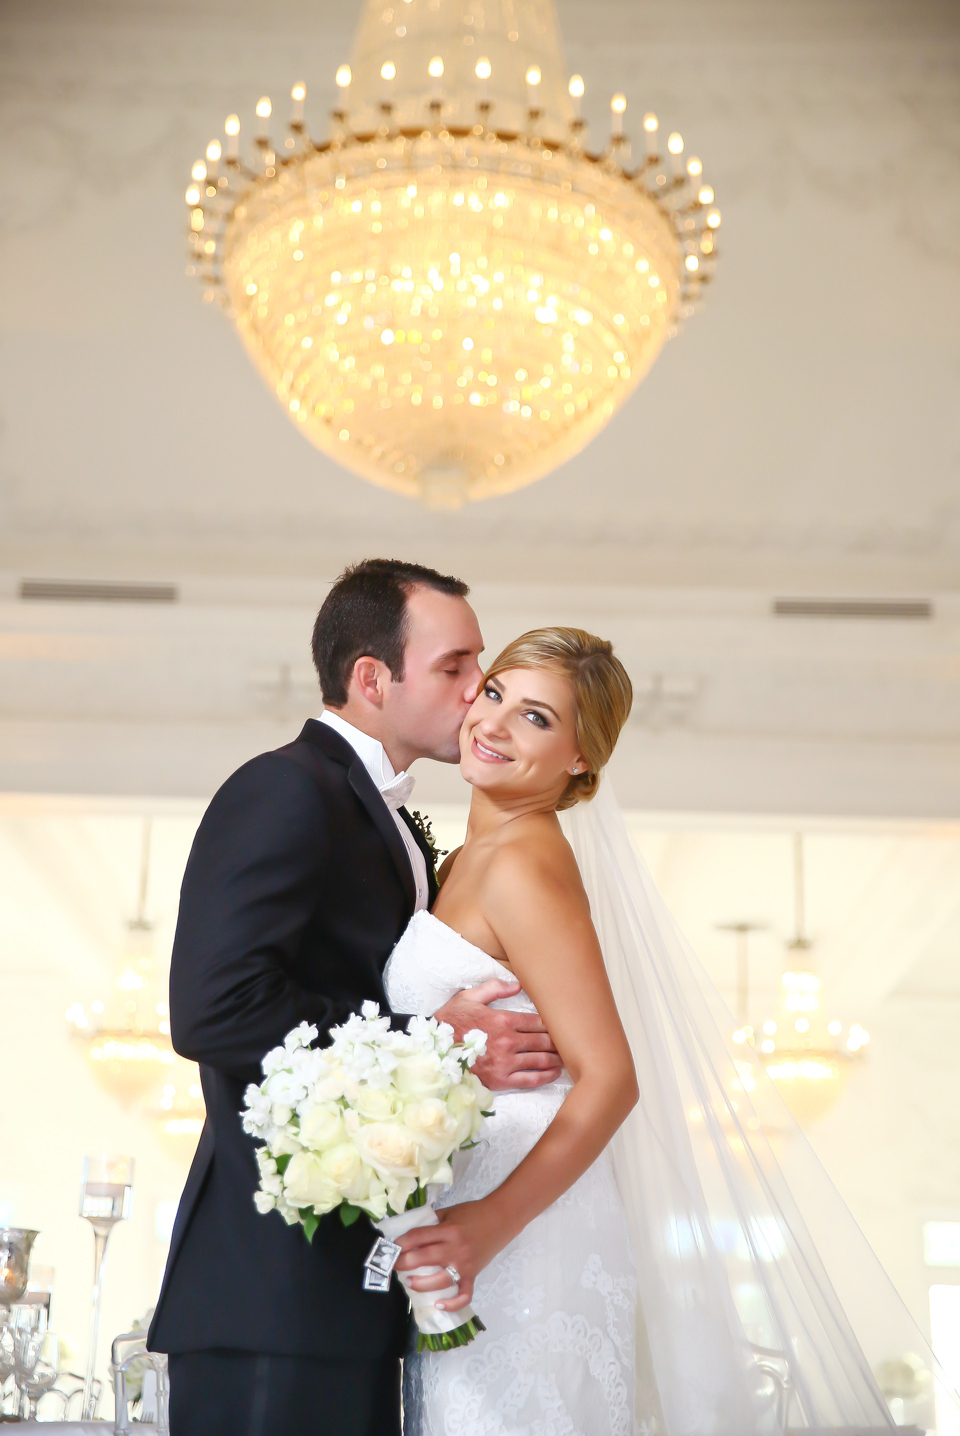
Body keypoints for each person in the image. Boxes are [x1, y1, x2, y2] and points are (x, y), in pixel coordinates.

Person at [147, 560, 566, 1436]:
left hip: (352, 1289)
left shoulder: (392, 820)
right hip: (272, 1291)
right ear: (372, 678)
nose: (474, 695)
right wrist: (439, 1041)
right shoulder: (284, 789)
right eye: (454, 669)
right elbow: (214, 1008)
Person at [384, 628, 641, 1433]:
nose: (493, 725)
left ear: (579, 761)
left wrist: (490, 1223)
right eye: (494, 694)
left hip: (518, 1228)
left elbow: (610, 1078)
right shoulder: (464, 860)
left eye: (535, 719)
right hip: (466, 1212)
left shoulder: (524, 861)